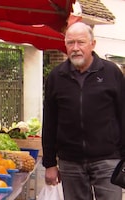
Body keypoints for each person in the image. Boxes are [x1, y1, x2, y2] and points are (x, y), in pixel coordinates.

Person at [42, 22, 125, 200]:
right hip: (70, 162)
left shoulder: (111, 72)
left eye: (81, 42)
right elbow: (49, 121)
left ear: (92, 44)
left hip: (108, 160)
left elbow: (123, 115)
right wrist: (49, 163)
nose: (75, 48)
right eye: (70, 43)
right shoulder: (56, 77)